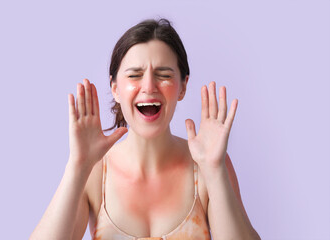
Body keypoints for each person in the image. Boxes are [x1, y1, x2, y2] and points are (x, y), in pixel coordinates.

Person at [30, 18, 261, 240]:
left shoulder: (209, 165)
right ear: (116, 89)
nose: (149, 86)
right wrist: (78, 166)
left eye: (163, 75)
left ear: (182, 87)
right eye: (135, 75)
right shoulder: (93, 171)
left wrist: (214, 170)